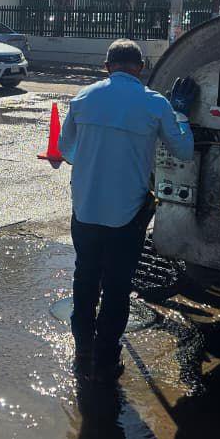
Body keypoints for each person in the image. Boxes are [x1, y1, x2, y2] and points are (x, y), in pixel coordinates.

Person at [56, 38, 197, 380]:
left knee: (85, 280)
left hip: (85, 211)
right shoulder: (155, 103)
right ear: (141, 69)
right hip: (127, 217)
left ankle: (83, 351)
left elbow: (66, 151)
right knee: (117, 287)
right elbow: (184, 152)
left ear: (106, 67)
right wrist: (180, 113)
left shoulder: (83, 97)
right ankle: (106, 361)